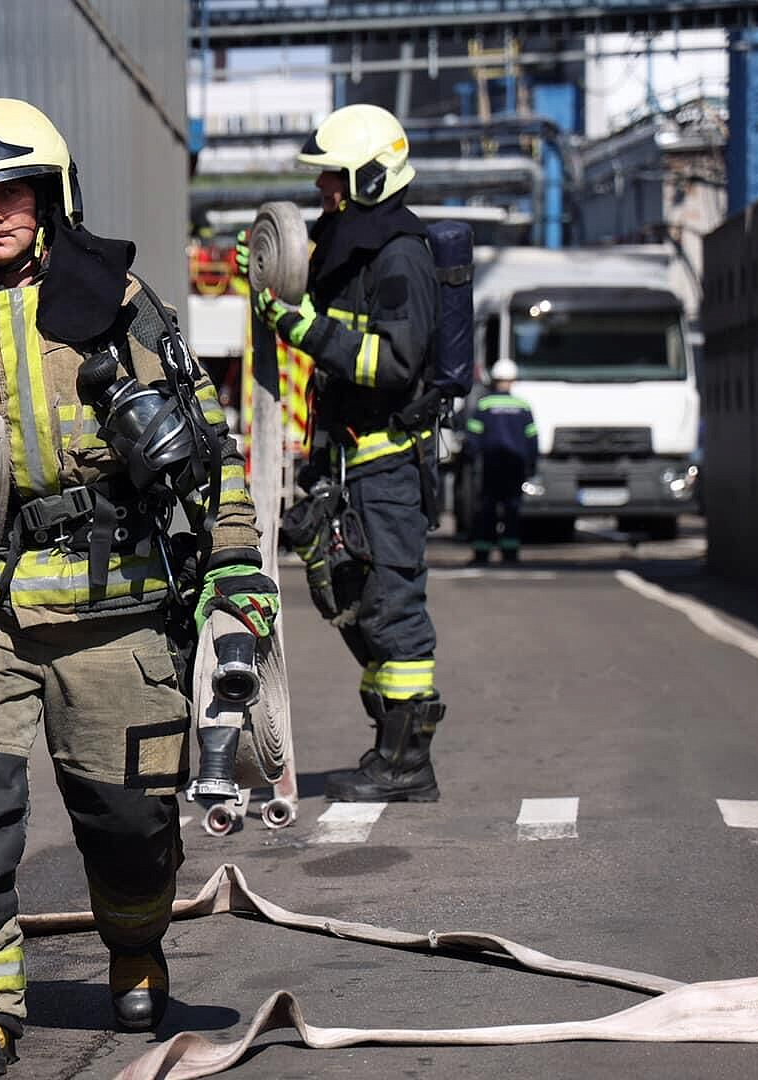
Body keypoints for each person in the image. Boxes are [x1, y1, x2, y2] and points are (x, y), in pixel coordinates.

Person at [0, 96, 273, 1078]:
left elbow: (210, 452)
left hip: (119, 613)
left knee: (131, 825)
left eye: (13, 192)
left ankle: (137, 944)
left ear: (51, 195)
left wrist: (237, 565)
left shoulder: (122, 304)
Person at [247, 102, 445, 803]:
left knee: (393, 607)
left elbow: (394, 362)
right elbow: (314, 297)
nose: (321, 187)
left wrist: (302, 329)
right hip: (350, 464)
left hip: (389, 467)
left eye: (332, 175)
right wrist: (267, 271)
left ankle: (407, 761)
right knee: (353, 600)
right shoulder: (350, 247)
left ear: (369, 176)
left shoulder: (400, 255)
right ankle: (388, 743)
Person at [463, 359, 539, 564]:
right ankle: (510, 553)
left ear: (494, 380)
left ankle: (482, 553)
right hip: (515, 465)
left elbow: (472, 437)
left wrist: (470, 460)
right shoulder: (523, 406)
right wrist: (532, 465)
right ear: (513, 380)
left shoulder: (484, 405)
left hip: (490, 465)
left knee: (486, 508)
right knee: (512, 509)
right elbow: (532, 439)